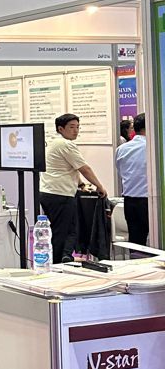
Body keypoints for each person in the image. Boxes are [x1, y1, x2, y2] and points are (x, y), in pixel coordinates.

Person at [39, 113, 107, 262]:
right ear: (60, 129)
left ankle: (65, 257)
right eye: (71, 127)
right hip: (60, 194)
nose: (75, 131)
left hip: (49, 192)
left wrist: (81, 184)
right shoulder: (66, 144)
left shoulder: (54, 143)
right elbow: (84, 168)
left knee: (68, 229)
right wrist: (99, 186)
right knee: (64, 231)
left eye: (77, 127)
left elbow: (70, 168)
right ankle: (58, 262)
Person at [115, 111, 149, 248]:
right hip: (149, 200)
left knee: (136, 242)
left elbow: (121, 171)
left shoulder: (121, 149)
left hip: (130, 200)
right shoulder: (153, 148)